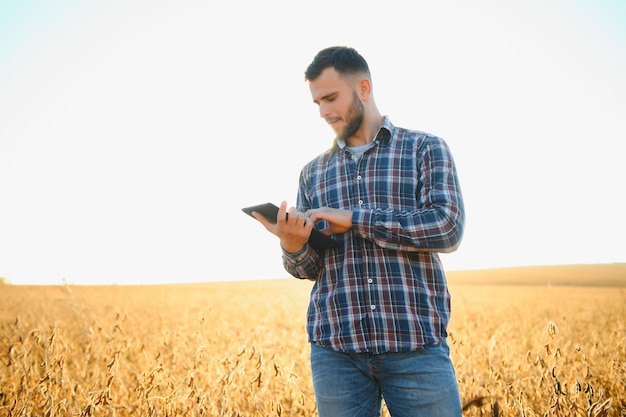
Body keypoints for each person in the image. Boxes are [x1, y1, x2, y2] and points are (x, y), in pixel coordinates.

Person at [252, 46, 465, 417]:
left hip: (415, 348)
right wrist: (293, 245)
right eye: (317, 102)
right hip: (335, 355)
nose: (324, 112)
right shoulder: (312, 172)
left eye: (331, 98)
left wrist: (355, 218)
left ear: (363, 88)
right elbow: (309, 269)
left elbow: (446, 228)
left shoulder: (425, 149)